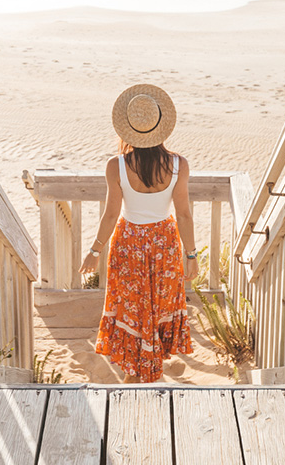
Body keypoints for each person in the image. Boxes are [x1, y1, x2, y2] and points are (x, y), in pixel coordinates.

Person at [79, 84, 197, 383]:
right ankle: (151, 364)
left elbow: (110, 214)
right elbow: (183, 214)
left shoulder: (116, 166)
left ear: (128, 128)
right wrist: (191, 255)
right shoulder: (177, 164)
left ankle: (138, 364)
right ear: (161, 126)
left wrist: (94, 251)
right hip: (165, 242)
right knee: (158, 303)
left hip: (129, 243)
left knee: (133, 304)